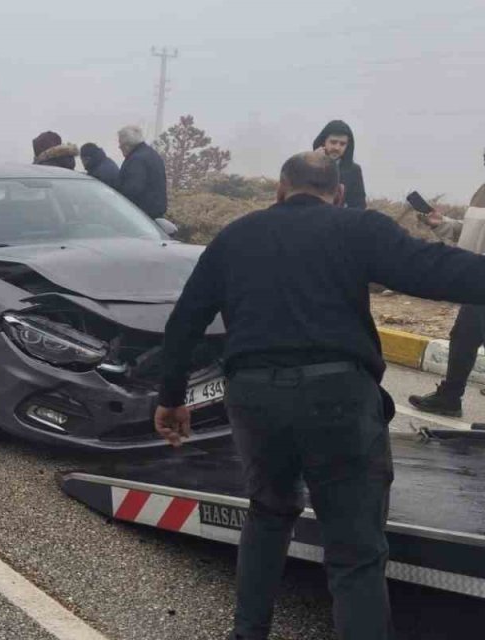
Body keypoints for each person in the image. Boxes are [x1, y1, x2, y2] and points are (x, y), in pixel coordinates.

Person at [154, 151, 485, 640]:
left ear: (280, 190)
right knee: (355, 550)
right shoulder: (358, 227)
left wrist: (171, 396)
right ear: (340, 193)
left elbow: (185, 321)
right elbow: (436, 268)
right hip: (338, 397)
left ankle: (248, 634)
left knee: (268, 513)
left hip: (254, 397)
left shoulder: (236, 236)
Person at [407, 151, 485, 417]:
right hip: (476, 279)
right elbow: (471, 233)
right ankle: (450, 397)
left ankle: (450, 396)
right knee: (464, 336)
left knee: (465, 334)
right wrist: (442, 224)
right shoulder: (481, 192)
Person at [116, 125, 168, 217]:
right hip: (154, 214)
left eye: (120, 143)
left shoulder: (136, 160)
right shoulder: (152, 155)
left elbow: (132, 190)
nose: (119, 147)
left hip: (139, 215)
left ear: (127, 145)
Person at [312, 120, 366, 209]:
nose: (337, 148)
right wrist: (315, 163)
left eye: (342, 144)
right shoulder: (305, 165)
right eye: (333, 142)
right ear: (323, 142)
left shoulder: (354, 171)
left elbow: (359, 206)